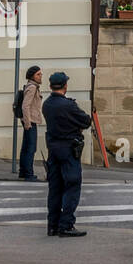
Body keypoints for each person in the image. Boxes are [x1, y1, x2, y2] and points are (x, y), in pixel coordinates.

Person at [42, 72, 93, 238]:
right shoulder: (68, 105)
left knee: (55, 188)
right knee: (72, 185)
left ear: (50, 86)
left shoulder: (47, 104)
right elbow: (86, 121)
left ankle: (53, 226)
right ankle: (66, 225)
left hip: (53, 149)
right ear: (65, 85)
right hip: (69, 148)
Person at [19, 66, 44, 182]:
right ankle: (29, 174)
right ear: (32, 76)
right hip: (30, 121)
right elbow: (25, 105)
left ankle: (23, 172)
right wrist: (28, 122)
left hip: (29, 121)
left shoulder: (32, 86)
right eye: (38, 74)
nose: (40, 76)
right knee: (30, 148)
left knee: (26, 147)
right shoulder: (32, 87)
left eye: (40, 74)